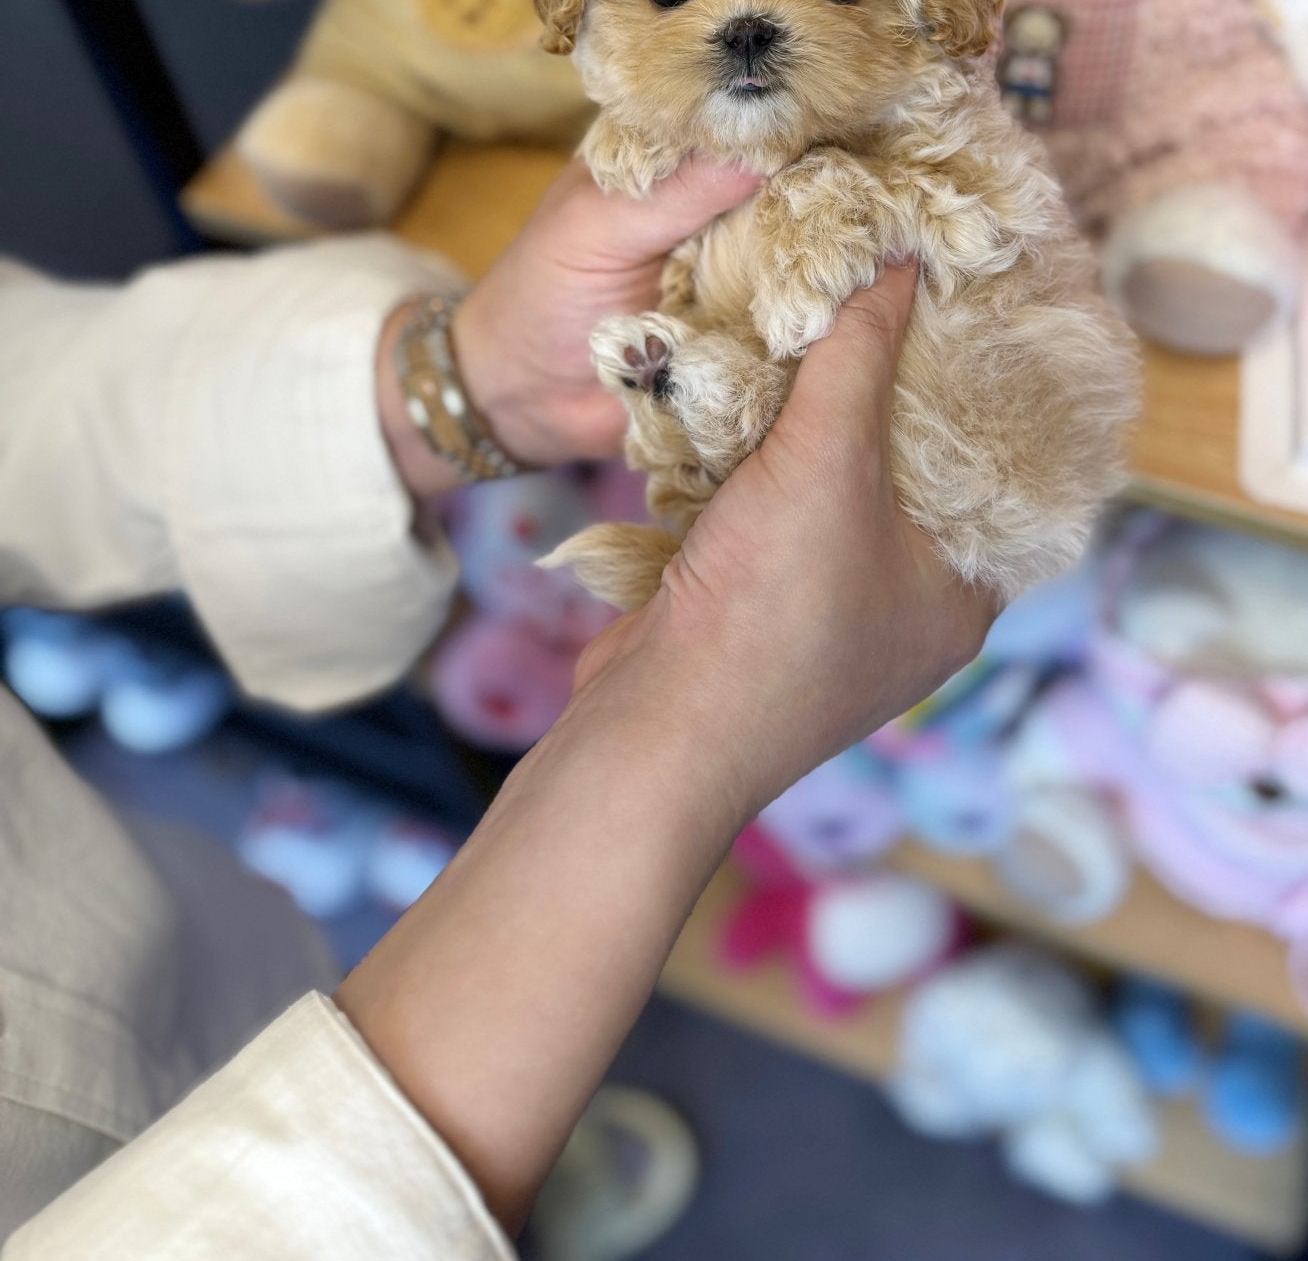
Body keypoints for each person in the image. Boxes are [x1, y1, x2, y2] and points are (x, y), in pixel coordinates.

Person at [0, 157, 992, 1258]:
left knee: (300, 1044)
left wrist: (460, 382)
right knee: (429, 1169)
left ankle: (502, 1162)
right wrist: (688, 708)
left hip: (162, 960)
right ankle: (490, 1188)